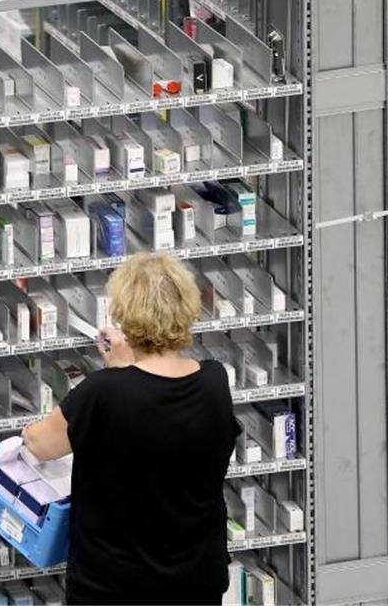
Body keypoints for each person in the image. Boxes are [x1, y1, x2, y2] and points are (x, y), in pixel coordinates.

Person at [22, 252, 240, 605]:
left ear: (124, 315)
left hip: (115, 590)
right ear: (188, 308)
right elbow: (159, 415)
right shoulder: (214, 382)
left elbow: (40, 443)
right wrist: (127, 368)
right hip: (195, 586)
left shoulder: (103, 392)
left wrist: (118, 373)